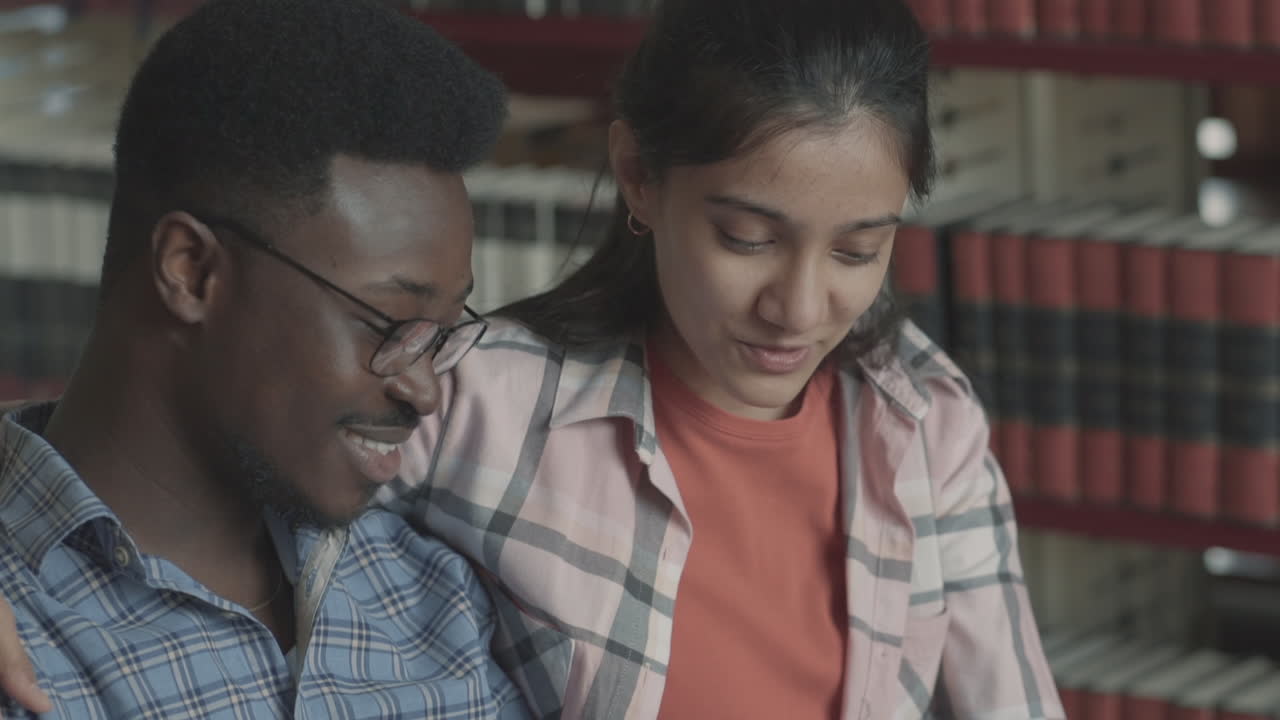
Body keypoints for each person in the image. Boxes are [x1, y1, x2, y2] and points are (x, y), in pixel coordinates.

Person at [1, 0, 1063, 717]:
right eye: (745, 236)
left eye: (859, 248)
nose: (798, 305)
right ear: (639, 182)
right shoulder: (484, 403)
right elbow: (149, 437)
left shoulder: (921, 419)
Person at [0, 0, 529, 717]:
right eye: (392, 322)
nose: (424, 390)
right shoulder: (22, 638)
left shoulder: (437, 604)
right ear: (191, 271)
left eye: (438, 332)